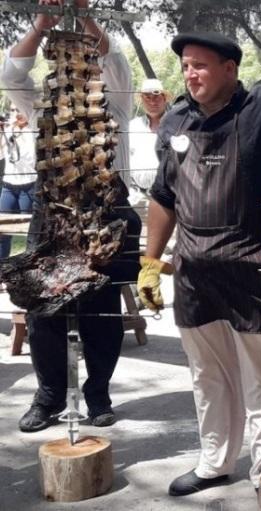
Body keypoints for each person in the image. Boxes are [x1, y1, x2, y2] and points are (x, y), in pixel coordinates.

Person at [138, 32, 261, 497]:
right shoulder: (175, 119)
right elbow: (163, 196)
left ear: (230, 69)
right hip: (192, 270)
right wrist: (150, 260)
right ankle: (214, 461)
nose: (191, 74)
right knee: (208, 374)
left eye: (201, 65)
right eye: (186, 66)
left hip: (251, 265)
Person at [1, 0, 140, 432]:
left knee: (102, 305)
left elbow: (115, 61)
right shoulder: (44, 105)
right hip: (54, 207)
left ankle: (99, 393)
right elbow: (10, 75)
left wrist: (85, 14)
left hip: (106, 207)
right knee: (44, 305)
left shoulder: (113, 103)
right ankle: (48, 398)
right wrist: (43, 23)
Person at [128, 78, 171, 218]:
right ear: (141, 99)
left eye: (157, 97)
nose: (152, 102)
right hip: (136, 197)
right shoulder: (132, 126)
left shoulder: (176, 125)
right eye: (148, 97)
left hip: (168, 198)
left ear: (165, 99)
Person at [0, 105, 36, 258]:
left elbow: (30, 160)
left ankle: (29, 266)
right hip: (9, 186)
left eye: (19, 109)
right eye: (14, 110)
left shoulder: (34, 131)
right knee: (3, 231)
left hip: (28, 187)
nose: (17, 113)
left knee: (30, 231)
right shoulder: (7, 130)